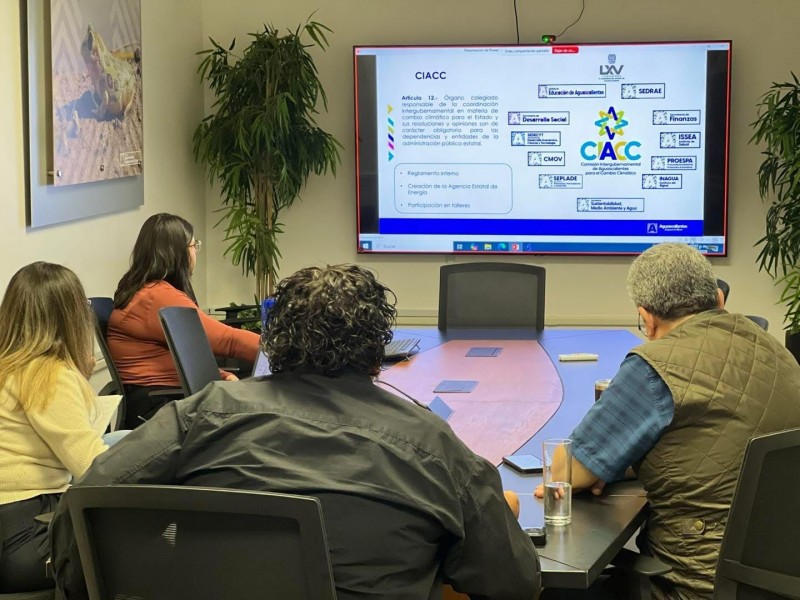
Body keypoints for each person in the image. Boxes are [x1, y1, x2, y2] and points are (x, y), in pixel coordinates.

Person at [51, 264, 541, 600]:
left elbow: (88, 499)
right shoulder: (433, 446)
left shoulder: (203, 414)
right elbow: (513, 583)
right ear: (379, 355)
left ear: (274, 344)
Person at [536, 243, 800, 599]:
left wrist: (604, 466)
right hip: (775, 580)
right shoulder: (773, 348)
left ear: (647, 319)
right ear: (718, 299)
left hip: (690, 584)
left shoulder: (656, 366)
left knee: (550, 589)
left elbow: (564, 472)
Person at [0, 262, 112, 593]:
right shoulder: (49, 375)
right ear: (71, 316)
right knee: (143, 547)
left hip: (11, 528)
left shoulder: (9, 367)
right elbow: (92, 467)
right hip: (27, 536)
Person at [108, 213, 259, 428]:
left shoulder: (144, 290)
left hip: (159, 399)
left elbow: (179, 354)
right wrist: (280, 350)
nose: (195, 251)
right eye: (193, 245)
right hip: (160, 408)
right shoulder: (156, 297)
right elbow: (227, 341)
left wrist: (221, 374)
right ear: (176, 252)